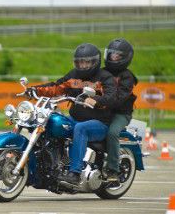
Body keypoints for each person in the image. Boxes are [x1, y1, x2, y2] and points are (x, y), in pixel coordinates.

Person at [29, 43, 117, 185]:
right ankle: (47, 168)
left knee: (81, 128)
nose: (82, 66)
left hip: (100, 123)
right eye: (80, 62)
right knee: (51, 123)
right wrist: (34, 90)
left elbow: (112, 97)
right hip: (75, 118)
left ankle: (75, 173)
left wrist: (95, 100)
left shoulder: (105, 77)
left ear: (95, 61)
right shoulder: (73, 75)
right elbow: (56, 87)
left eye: (86, 62)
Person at [102, 38, 138, 181]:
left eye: (117, 55)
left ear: (125, 58)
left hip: (121, 113)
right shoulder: (101, 72)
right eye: (111, 54)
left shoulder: (127, 76)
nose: (113, 57)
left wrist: (100, 102)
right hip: (103, 110)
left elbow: (119, 99)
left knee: (112, 133)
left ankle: (113, 170)